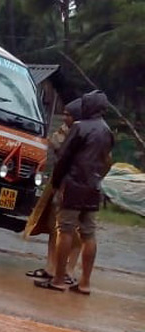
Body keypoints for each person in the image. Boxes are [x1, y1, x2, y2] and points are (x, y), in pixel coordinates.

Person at [37, 91, 114, 295]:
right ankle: (85, 283)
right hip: (93, 188)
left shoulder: (80, 128)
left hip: (73, 186)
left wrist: (56, 183)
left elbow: (63, 158)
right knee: (89, 234)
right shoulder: (107, 131)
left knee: (65, 230)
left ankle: (59, 279)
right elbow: (107, 161)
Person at [26, 103, 82, 284]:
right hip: (58, 185)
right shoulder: (63, 132)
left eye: (69, 114)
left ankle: (69, 270)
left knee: (76, 231)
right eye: (64, 114)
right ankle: (50, 267)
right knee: (53, 227)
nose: (65, 117)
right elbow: (55, 143)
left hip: (79, 187)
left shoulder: (86, 133)